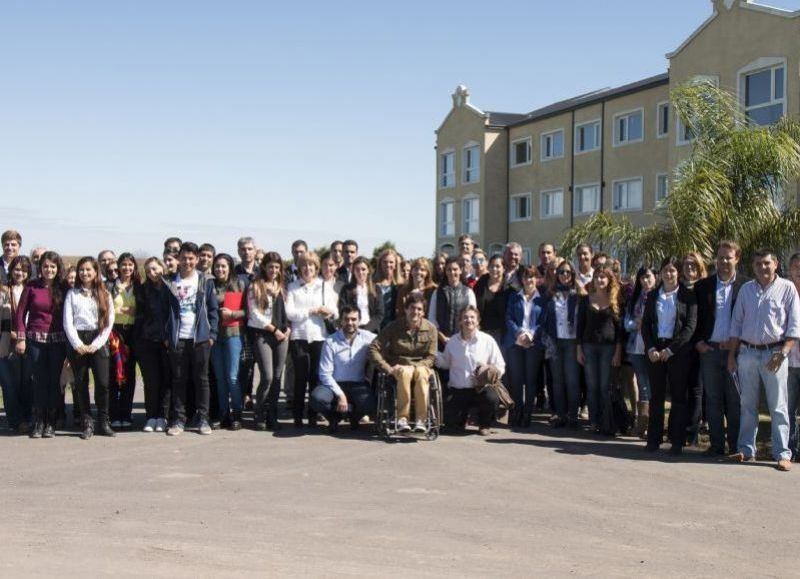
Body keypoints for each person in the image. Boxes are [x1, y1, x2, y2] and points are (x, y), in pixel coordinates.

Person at [728, 249, 800, 471]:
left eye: (767, 263)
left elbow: (794, 326)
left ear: (776, 264)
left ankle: (782, 454)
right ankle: (746, 450)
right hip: (747, 354)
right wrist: (732, 355)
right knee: (747, 404)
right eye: (758, 263)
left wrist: (783, 352)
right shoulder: (746, 290)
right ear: (753, 266)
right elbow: (736, 325)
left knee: (779, 407)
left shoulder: (787, 288)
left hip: (775, 354)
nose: (762, 267)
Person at [693, 241, 748, 456]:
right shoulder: (703, 286)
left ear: (737, 258)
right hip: (710, 351)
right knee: (713, 399)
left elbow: (749, 320)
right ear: (715, 259)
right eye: (720, 257)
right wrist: (698, 342)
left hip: (736, 352)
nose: (724, 261)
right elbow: (695, 319)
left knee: (734, 401)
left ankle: (735, 446)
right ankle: (716, 445)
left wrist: (738, 344)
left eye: (728, 257)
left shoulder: (746, 286)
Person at [641, 257, 698, 455]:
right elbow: (646, 325)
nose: (669, 274)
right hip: (656, 350)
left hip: (677, 351)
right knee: (656, 396)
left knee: (678, 397)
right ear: (660, 273)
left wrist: (671, 350)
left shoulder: (687, 296)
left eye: (673, 270)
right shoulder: (653, 296)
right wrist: (650, 349)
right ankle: (653, 439)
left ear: (679, 273)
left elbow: (690, 327)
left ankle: (676, 440)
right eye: (666, 270)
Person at [164, 242, 219, 436]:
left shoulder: (205, 281)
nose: (187, 262)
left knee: (201, 380)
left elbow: (213, 310)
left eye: (191, 258)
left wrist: (211, 335)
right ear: (178, 259)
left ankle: (203, 418)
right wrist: (167, 336)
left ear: (196, 260)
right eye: (184, 258)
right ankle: (179, 419)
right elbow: (165, 311)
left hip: (200, 339)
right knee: (179, 380)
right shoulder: (170, 282)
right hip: (178, 339)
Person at [15, 251, 68, 438]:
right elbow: (20, 314)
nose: (49, 269)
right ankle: (38, 422)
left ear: (57, 268)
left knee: (55, 382)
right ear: (40, 268)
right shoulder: (31, 286)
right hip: (35, 340)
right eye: (45, 266)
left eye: (52, 266)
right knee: (39, 381)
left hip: (58, 341)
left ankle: (51, 422)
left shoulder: (64, 287)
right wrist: (21, 337)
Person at [63, 257, 116, 439]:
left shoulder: (105, 294)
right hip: (78, 339)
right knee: (81, 383)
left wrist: (96, 344)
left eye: (88, 270)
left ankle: (103, 420)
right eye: (82, 270)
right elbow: (68, 322)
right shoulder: (72, 294)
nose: (84, 273)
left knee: (102, 383)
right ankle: (87, 422)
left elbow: (109, 323)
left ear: (95, 272)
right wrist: (77, 344)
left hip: (98, 340)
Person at [369, 294, 437, 433]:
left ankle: (421, 420)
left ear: (423, 312)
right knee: (406, 372)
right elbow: (373, 348)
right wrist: (387, 368)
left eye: (419, 309)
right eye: (412, 308)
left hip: (421, 366)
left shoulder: (431, 329)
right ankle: (402, 419)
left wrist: (416, 367)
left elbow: (431, 356)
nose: (415, 312)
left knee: (421, 373)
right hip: (399, 366)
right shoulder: (394, 326)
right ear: (406, 309)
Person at [285, 251, 338, 427]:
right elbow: (290, 313)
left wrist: (326, 311)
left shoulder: (324, 286)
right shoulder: (293, 287)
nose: (308, 269)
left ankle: (313, 415)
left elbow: (335, 311)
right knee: (300, 378)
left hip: (319, 337)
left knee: (316, 378)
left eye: (311, 265)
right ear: (299, 267)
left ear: (316, 268)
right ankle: (298, 416)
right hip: (299, 337)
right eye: (304, 265)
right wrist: (310, 312)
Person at [438, 305, 505, 436]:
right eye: (465, 317)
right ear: (460, 321)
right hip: (458, 389)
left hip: (480, 388)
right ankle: (460, 420)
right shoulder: (452, 342)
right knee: (452, 426)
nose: (469, 320)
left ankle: (484, 424)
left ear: (478, 321)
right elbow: (445, 363)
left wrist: (490, 373)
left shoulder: (487, 340)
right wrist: (433, 354)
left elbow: (500, 365)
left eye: (472, 317)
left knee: (491, 398)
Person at [310, 305, 377, 433]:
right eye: (346, 319)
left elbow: (386, 340)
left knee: (370, 404)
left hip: (358, 384)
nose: (350, 323)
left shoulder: (367, 337)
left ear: (359, 321)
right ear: (341, 321)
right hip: (334, 384)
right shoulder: (330, 341)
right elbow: (324, 374)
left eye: (354, 319)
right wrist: (341, 395)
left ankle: (353, 417)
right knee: (317, 399)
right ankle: (334, 418)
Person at [576, 267, 623, 430]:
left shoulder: (615, 300)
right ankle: (593, 421)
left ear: (609, 280)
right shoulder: (586, 299)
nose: (600, 280)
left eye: (603, 277)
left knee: (604, 386)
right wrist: (579, 349)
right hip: (588, 346)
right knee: (592, 385)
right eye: (597, 277)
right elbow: (580, 326)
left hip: (608, 348)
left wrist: (618, 351)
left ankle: (605, 421)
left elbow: (619, 329)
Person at [248, 251, 291, 431]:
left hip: (283, 335)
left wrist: (288, 327)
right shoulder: (255, 287)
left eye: (277, 267)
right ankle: (259, 413)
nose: (274, 270)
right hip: (263, 334)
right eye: (270, 266)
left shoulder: (282, 287)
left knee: (277, 377)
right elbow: (255, 314)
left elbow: (289, 310)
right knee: (267, 376)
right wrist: (273, 330)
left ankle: (272, 414)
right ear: (264, 267)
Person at [541, 261, 583, 428]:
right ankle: (560, 415)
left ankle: (573, 416)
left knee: (572, 380)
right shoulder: (551, 294)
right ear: (556, 275)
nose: (564, 275)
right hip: (554, 341)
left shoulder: (579, 294)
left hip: (572, 341)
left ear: (573, 275)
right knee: (557, 381)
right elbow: (544, 318)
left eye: (568, 272)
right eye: (561, 272)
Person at [504, 266, 547, 428]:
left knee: (530, 380)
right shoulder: (514, 297)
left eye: (532, 277)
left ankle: (528, 413)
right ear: (521, 279)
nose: (529, 280)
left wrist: (531, 335)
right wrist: (519, 334)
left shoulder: (541, 299)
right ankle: (517, 411)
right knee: (516, 380)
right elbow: (508, 318)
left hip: (533, 343)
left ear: (537, 279)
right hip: (516, 342)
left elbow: (543, 321)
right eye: (526, 277)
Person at [210, 253, 247, 430]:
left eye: (224, 266)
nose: (220, 269)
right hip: (215, 336)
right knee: (220, 378)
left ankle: (237, 414)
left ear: (230, 267)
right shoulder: (210, 285)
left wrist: (233, 314)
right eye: (217, 266)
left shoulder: (240, 284)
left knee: (232, 376)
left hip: (234, 334)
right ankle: (223, 414)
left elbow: (249, 311)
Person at [107, 253, 141, 429]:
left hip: (133, 334)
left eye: (130, 264)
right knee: (114, 374)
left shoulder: (138, 287)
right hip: (114, 333)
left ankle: (126, 413)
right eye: (124, 265)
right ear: (118, 266)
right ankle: (114, 414)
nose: (127, 268)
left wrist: (133, 311)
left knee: (129, 374)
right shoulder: (111, 287)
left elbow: (142, 310)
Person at [137, 257, 170, 433]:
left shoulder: (170, 288)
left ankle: (163, 416)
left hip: (166, 342)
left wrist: (167, 336)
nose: (152, 273)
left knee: (166, 380)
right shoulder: (143, 290)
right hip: (147, 340)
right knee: (151, 380)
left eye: (155, 269)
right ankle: (151, 416)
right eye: (149, 270)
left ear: (162, 268)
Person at [624, 266, 657, 438]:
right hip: (635, 346)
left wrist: (646, 324)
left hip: (652, 347)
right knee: (642, 384)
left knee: (650, 386)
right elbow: (626, 323)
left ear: (655, 277)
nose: (646, 280)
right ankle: (642, 425)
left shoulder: (659, 296)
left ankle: (649, 425)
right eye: (642, 277)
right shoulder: (635, 299)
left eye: (648, 277)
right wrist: (636, 324)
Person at [0, 254, 32, 433]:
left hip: (30, 341)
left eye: (24, 270)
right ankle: (16, 420)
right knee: (9, 383)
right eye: (17, 269)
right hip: (7, 342)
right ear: (11, 271)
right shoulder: (4, 291)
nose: (20, 273)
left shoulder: (32, 289)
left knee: (26, 382)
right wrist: (18, 336)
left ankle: (28, 416)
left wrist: (25, 338)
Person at [680, 251, 708, 446]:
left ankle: (692, 431)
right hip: (680, 347)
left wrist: (700, 341)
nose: (690, 268)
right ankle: (679, 429)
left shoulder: (704, 288)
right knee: (680, 390)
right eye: (687, 265)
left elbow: (706, 319)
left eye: (693, 265)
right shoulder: (677, 289)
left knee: (696, 390)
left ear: (699, 267)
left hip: (698, 345)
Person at [428, 257, 477, 349]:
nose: (452, 272)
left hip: (462, 341)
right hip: (440, 342)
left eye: (455, 269)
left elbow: (472, 318)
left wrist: (460, 338)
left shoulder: (468, 292)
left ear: (461, 270)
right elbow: (432, 318)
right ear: (445, 272)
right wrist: (442, 338)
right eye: (449, 269)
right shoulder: (437, 293)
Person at [338, 256, 384, 333]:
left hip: (371, 330)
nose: (360, 272)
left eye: (363, 269)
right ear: (353, 271)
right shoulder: (346, 289)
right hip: (351, 330)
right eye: (357, 269)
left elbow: (379, 313)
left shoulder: (376, 289)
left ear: (368, 270)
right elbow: (342, 309)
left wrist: (367, 329)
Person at [472, 254, 507, 346]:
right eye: (492, 266)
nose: (494, 269)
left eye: (498, 266)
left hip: (501, 332)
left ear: (504, 268)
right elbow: (474, 306)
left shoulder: (508, 287)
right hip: (482, 330)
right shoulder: (481, 283)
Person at [787, 253, 800, 460]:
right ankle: (789, 449)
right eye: (796, 267)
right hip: (788, 362)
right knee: (786, 409)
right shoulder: (784, 291)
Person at [373, 248, 402, 327]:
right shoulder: (373, 284)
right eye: (385, 262)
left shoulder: (401, 285)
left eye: (391, 262)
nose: (388, 265)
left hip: (394, 327)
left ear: (396, 264)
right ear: (380, 264)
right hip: (376, 327)